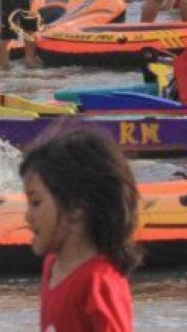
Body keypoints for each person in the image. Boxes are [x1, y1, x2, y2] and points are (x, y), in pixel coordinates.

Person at [21, 127, 138, 332]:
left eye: (36, 202)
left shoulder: (98, 284)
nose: (28, 216)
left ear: (76, 208)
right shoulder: (53, 266)